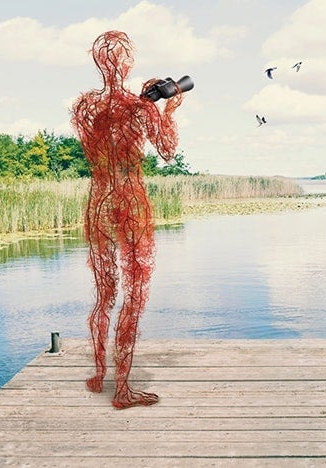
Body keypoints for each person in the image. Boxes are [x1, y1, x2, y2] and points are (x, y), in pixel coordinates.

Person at [70, 30, 184, 409]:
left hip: (98, 200)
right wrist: (167, 108)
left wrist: (137, 106)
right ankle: (122, 390)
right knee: (133, 295)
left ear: (99, 63)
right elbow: (167, 151)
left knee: (104, 295)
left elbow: (102, 133)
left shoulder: (84, 106)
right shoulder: (142, 109)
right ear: (128, 64)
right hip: (130, 200)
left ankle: (100, 373)